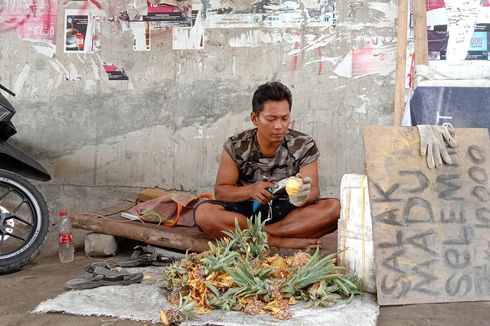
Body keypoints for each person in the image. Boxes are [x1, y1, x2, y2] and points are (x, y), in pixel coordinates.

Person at [194, 81, 340, 248]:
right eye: (271, 119)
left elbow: (313, 190)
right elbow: (221, 191)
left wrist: (303, 197)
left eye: (284, 118)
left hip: (289, 213)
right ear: (255, 118)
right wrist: (250, 190)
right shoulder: (236, 145)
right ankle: (279, 240)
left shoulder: (303, 145)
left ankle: (262, 236)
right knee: (204, 213)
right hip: (246, 211)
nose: (279, 126)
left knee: (334, 209)